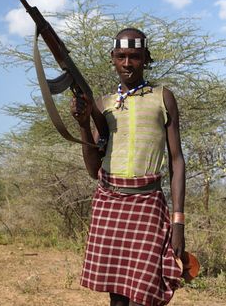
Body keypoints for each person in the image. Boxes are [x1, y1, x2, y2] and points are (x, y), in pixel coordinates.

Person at [71, 27, 185, 306]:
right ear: (112, 57)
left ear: (146, 58)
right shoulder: (103, 105)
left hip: (148, 205)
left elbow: (177, 160)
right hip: (109, 203)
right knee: (118, 299)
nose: (127, 63)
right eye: (121, 56)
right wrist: (85, 125)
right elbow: (92, 169)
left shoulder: (162, 97)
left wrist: (178, 223)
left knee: (144, 296)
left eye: (134, 56)